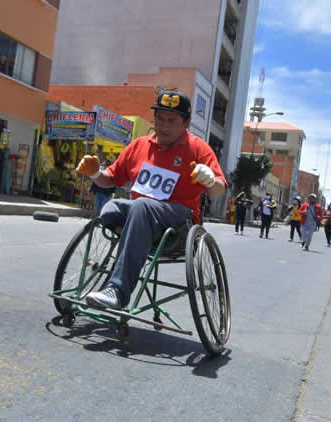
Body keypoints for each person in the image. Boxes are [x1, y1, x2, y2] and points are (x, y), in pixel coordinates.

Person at [75, 91, 227, 309]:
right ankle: (121, 260)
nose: (164, 126)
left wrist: (210, 180)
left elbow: (218, 190)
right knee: (111, 208)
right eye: (160, 119)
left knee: (141, 206)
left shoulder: (198, 148)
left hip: (179, 221)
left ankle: (117, 291)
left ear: (186, 123)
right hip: (142, 214)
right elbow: (112, 178)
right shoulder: (139, 145)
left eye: (172, 121)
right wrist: (95, 174)